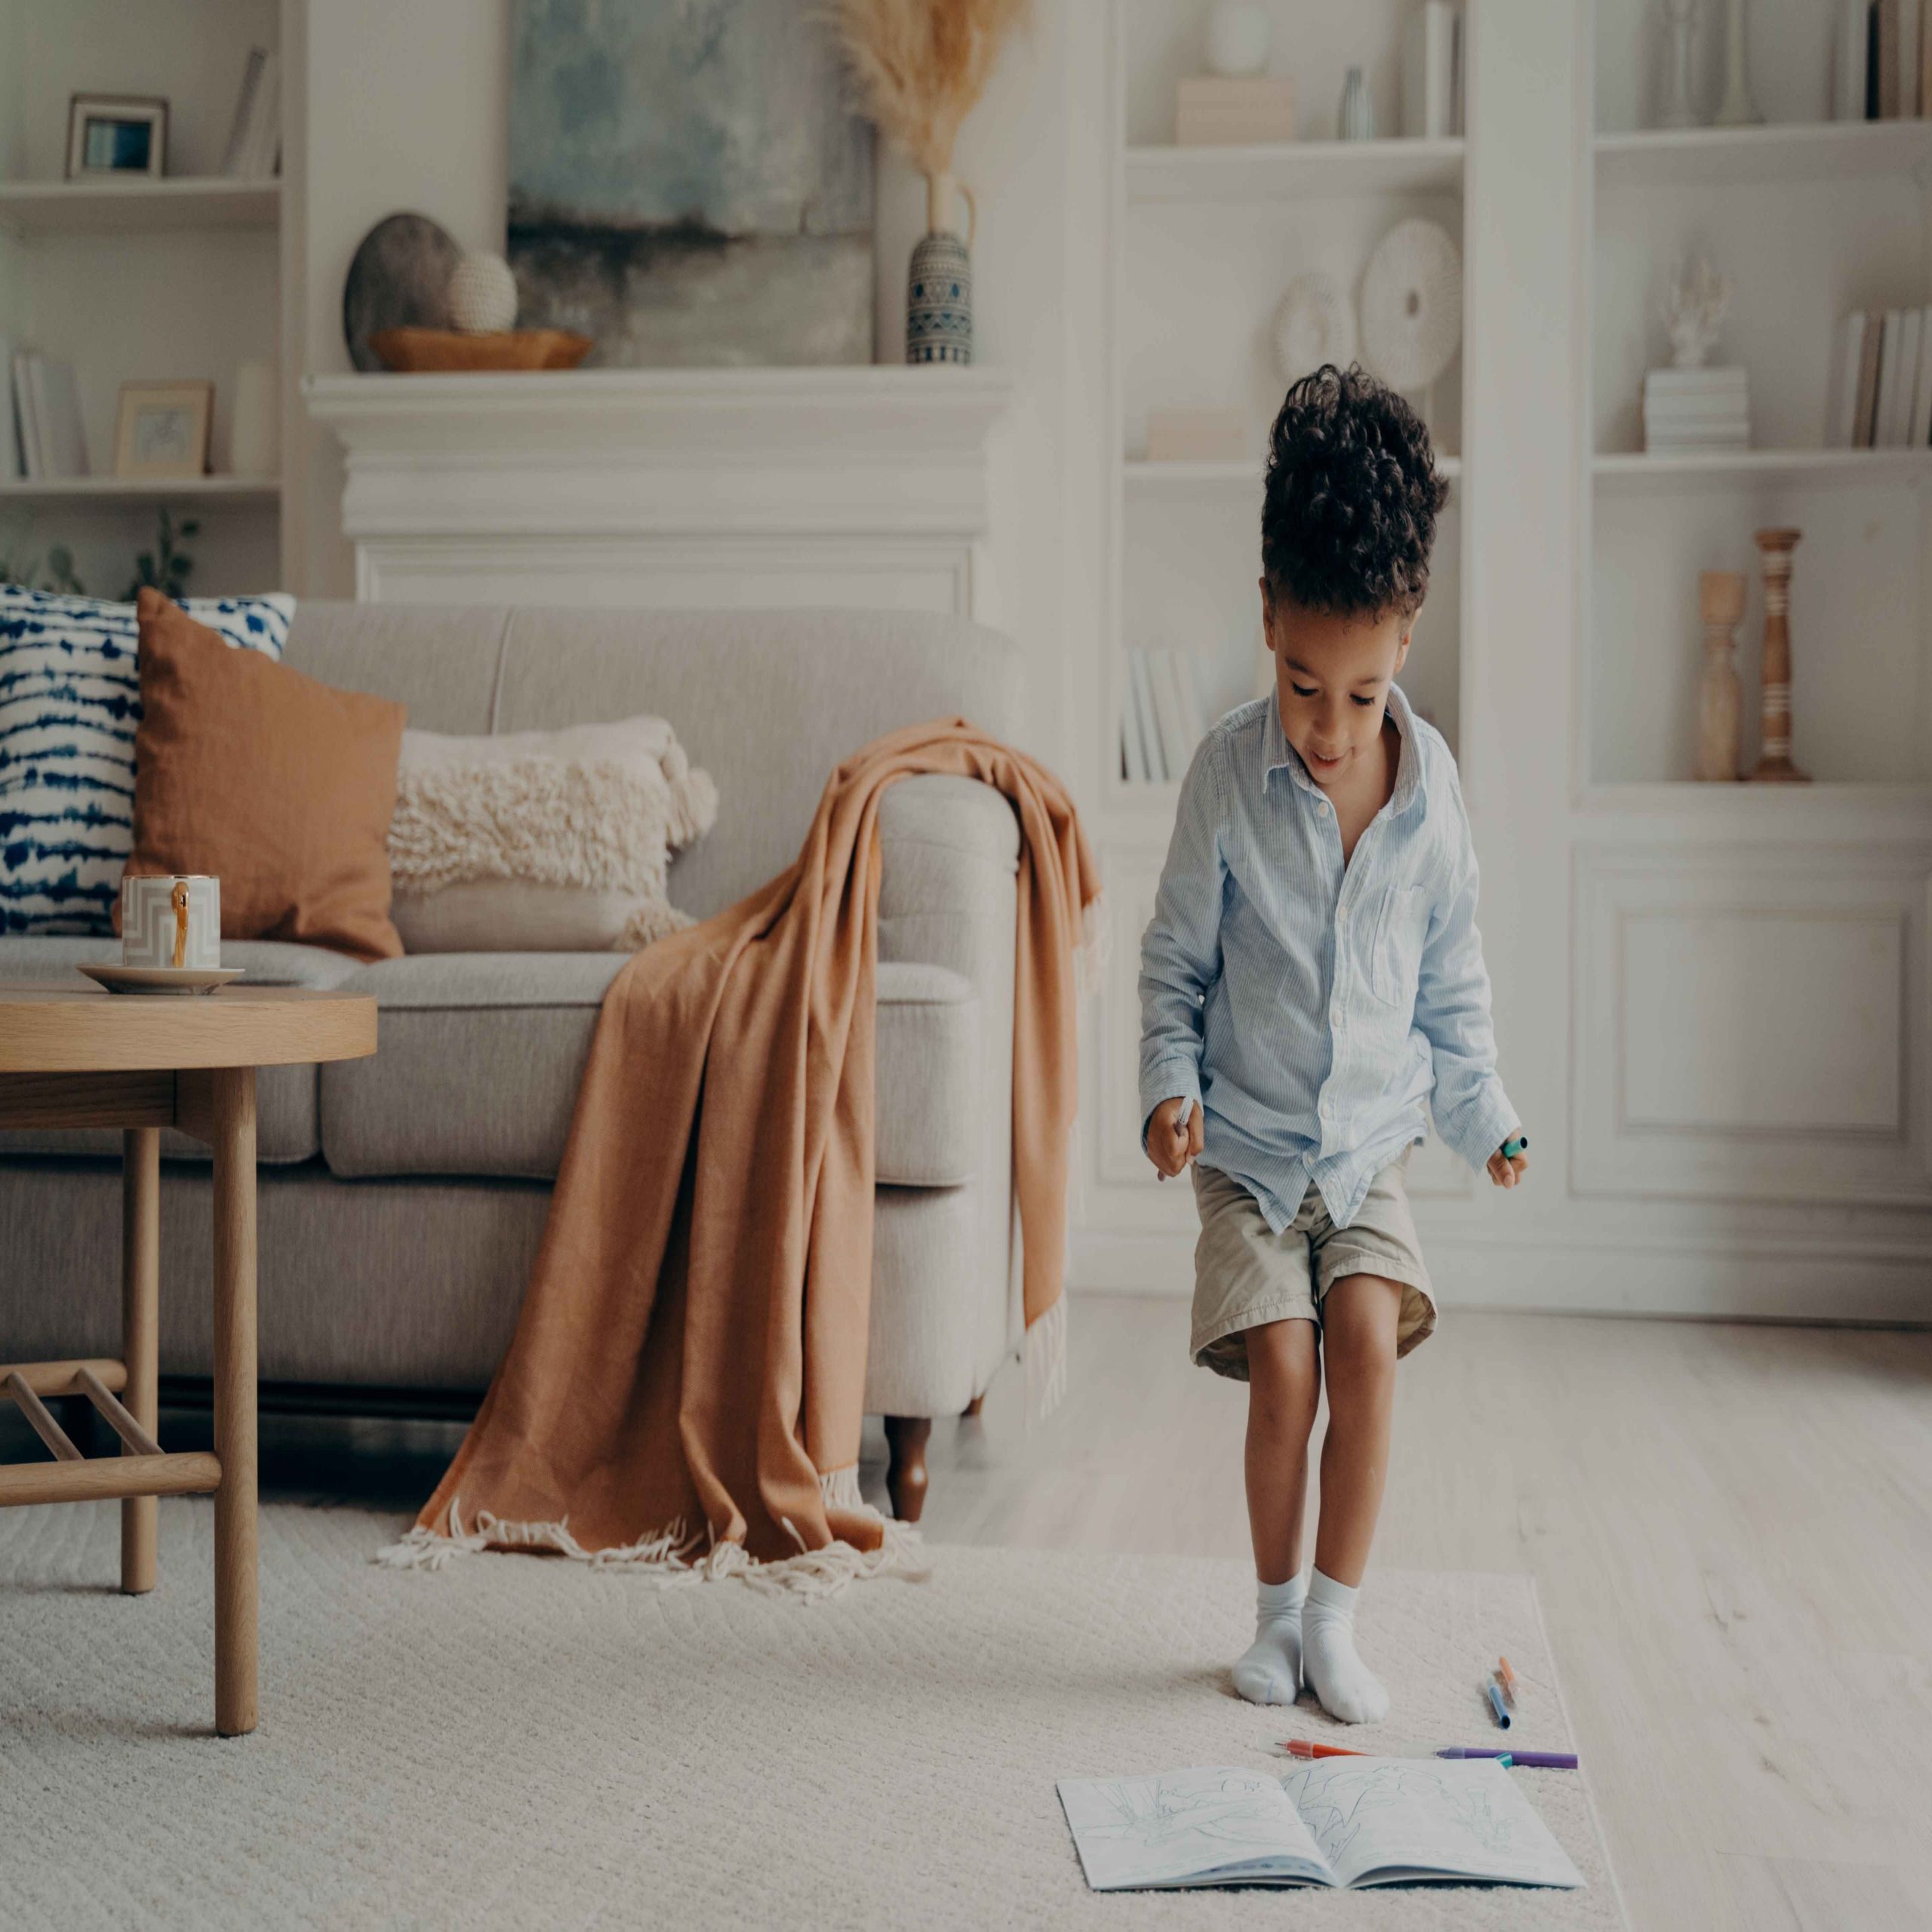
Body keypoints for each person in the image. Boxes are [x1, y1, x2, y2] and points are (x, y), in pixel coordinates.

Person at [1137, 364, 1527, 1723]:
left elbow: (1453, 986)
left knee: (1363, 1342)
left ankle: (1337, 1624)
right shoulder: (1223, 782)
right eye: (1302, 684)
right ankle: (1270, 1614)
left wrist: (1488, 1120)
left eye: (1358, 695)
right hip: (1246, 1151)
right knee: (1286, 1364)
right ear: (1265, 620)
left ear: (1407, 640)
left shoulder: (1435, 804)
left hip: (1369, 1155)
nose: (1324, 725)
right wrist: (1168, 1092)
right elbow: (1175, 962)